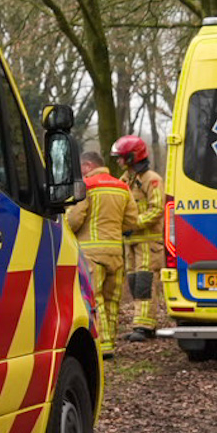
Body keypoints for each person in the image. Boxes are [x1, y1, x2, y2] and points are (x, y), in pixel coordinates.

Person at [66, 149, 138, 356]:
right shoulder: (122, 186)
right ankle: (110, 343)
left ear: (88, 165)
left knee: (94, 298)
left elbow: (74, 219)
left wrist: (66, 230)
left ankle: (102, 345)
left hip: (91, 253)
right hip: (115, 252)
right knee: (112, 300)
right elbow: (132, 221)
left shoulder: (86, 186)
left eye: (81, 167)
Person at [112, 134, 166, 342]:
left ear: (132, 157)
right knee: (134, 282)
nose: (118, 161)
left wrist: (133, 224)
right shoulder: (125, 180)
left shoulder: (152, 179)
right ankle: (140, 322)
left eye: (121, 157)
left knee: (145, 282)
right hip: (131, 241)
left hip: (148, 242)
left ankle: (144, 325)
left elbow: (157, 209)